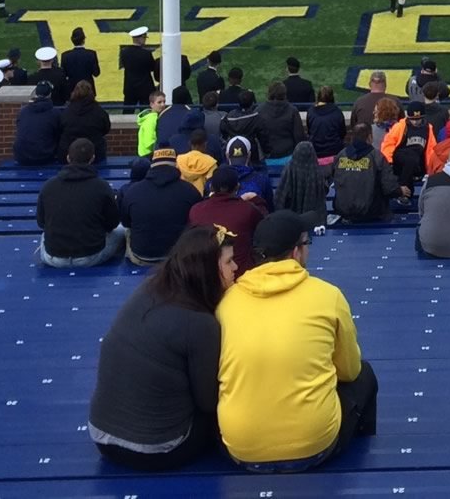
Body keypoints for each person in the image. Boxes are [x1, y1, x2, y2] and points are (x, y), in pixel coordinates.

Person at [217, 211, 376, 470]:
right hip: (313, 444)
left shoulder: (227, 301)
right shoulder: (328, 295)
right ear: (296, 252)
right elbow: (349, 371)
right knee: (365, 375)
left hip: (241, 447)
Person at [87, 224, 229, 470]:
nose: (235, 268)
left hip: (101, 436)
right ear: (207, 269)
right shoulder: (200, 323)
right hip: (158, 449)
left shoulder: (150, 288)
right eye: (229, 262)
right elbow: (208, 402)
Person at [37, 138, 125, 268]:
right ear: (92, 158)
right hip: (91, 256)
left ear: (68, 158)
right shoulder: (101, 186)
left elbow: (41, 222)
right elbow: (112, 223)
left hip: (53, 257)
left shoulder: (49, 186)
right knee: (122, 230)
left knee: (45, 234)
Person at [122, 148, 203, 263]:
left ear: (152, 165)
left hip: (142, 256)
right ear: (175, 165)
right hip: (179, 257)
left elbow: (126, 223)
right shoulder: (190, 191)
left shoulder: (133, 191)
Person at [190, 166, 263, 274]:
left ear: (211, 188)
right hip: (240, 275)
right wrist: (257, 200)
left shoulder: (196, 210)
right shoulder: (248, 209)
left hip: (205, 276)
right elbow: (265, 224)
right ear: (237, 187)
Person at [331, 124, 399, 225]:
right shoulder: (377, 156)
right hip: (372, 213)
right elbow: (389, 188)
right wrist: (400, 191)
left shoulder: (340, 156)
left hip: (344, 211)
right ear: (370, 137)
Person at [58, 81, 112, 162]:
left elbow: (59, 129)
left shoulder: (66, 112)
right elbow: (106, 129)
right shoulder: (100, 112)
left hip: (68, 154)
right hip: (95, 154)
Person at [13, 86, 65, 166]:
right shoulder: (55, 113)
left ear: (35, 94)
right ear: (50, 94)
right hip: (44, 156)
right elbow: (59, 135)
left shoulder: (23, 111)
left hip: (21, 156)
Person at [120, 26, 157, 106]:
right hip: (145, 88)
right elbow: (152, 67)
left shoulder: (124, 52)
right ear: (140, 38)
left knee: (127, 111)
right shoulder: (146, 54)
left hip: (130, 87)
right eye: (144, 37)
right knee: (145, 112)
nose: (145, 40)